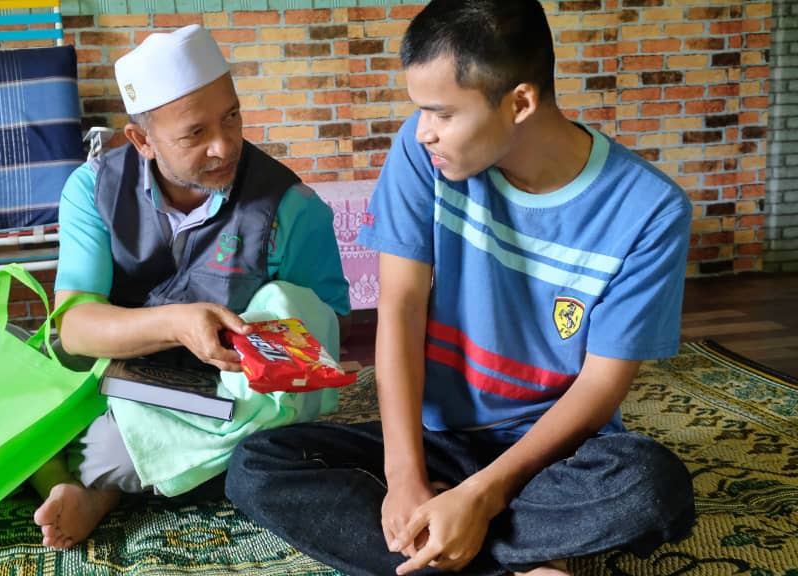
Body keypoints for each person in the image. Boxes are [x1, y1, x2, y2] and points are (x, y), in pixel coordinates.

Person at [225, 1, 696, 575]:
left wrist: (483, 496)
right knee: (256, 465)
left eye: (443, 113)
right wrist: (404, 478)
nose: (424, 130)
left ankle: (449, 537)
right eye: (420, 110)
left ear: (519, 103)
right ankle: (516, 551)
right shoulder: (421, 153)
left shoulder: (650, 211)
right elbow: (400, 308)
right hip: (439, 441)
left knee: (649, 485)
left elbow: (600, 386)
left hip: (554, 455)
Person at [29, 24, 351, 550]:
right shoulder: (92, 190)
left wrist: (266, 347)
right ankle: (113, 478)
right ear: (143, 141)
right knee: (17, 372)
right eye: (194, 134)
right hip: (123, 373)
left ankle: (91, 485)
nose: (224, 145)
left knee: (109, 445)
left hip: (227, 391)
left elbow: (325, 331)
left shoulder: (291, 208)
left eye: (232, 117)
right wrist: (176, 324)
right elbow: (76, 327)